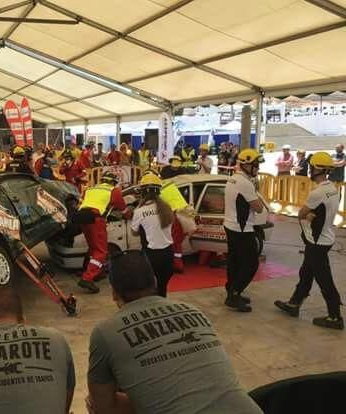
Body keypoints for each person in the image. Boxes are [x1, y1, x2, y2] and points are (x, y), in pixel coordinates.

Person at [86, 250, 263, 414]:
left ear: (114, 292)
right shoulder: (193, 310)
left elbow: (104, 406)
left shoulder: (106, 332)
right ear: (155, 281)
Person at [275, 152, 343, 330]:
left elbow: (301, 214)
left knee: (323, 278)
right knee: (306, 273)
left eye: (312, 167)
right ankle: (294, 304)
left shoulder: (318, 193)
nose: (310, 170)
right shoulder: (333, 189)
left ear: (317, 169)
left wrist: (309, 215)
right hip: (325, 238)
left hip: (317, 242)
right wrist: (312, 215)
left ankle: (335, 316)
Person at [223, 148, 265, 312]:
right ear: (247, 165)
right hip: (242, 230)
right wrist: (256, 194)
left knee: (234, 262)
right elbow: (259, 208)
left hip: (231, 226)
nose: (258, 169)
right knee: (251, 264)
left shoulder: (232, 179)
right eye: (256, 165)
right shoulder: (245, 183)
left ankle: (231, 290)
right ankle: (234, 294)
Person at [76, 172, 131, 293]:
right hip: (95, 219)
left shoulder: (90, 189)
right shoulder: (113, 191)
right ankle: (87, 278)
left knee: (93, 248)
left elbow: (80, 203)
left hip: (81, 217)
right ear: (113, 182)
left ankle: (97, 271)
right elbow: (123, 209)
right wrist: (129, 216)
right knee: (101, 251)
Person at [131, 174, 174, 296]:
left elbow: (134, 232)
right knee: (162, 288)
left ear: (143, 192)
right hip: (168, 254)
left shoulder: (139, 211)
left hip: (151, 256)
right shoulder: (167, 207)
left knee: (150, 288)